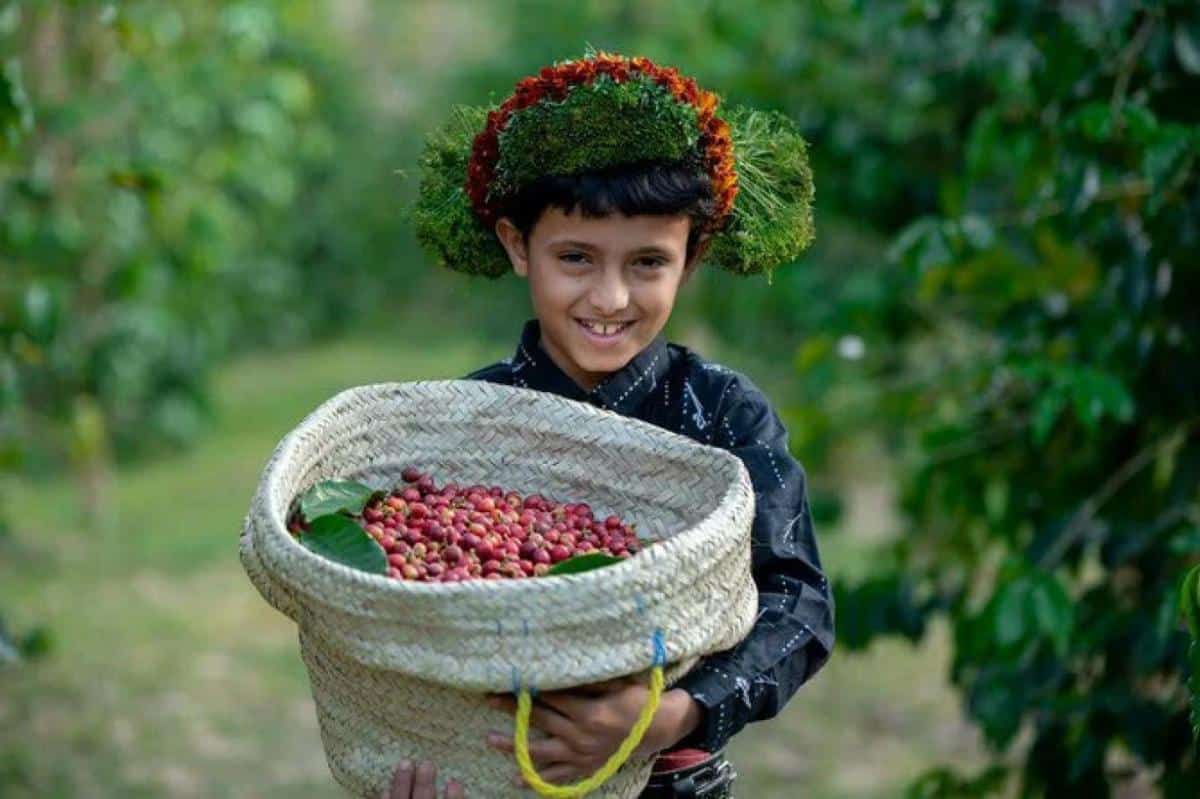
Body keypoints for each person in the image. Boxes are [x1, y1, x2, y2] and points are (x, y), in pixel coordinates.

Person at [389, 50, 833, 798]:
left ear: (691, 259)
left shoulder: (723, 414)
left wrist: (666, 716)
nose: (610, 296)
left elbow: (800, 606)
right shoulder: (468, 424)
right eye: (576, 257)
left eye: (648, 263)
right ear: (515, 244)